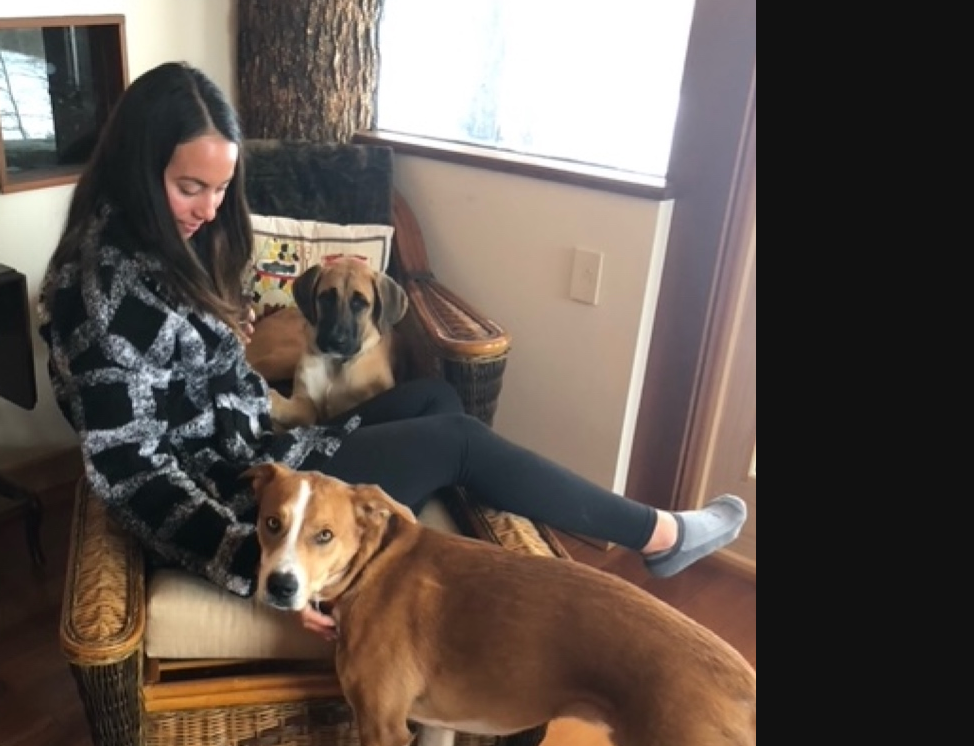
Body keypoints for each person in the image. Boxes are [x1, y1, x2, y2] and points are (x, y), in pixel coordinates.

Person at [37, 62, 745, 639]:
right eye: (191, 187)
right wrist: (254, 561)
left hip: (270, 444)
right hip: (240, 492)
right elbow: (130, 476)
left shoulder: (168, 249)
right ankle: (658, 536)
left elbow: (214, 378)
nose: (211, 208)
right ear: (138, 169)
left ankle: (402, 574)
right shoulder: (98, 297)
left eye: (222, 188)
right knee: (460, 441)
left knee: (435, 398)